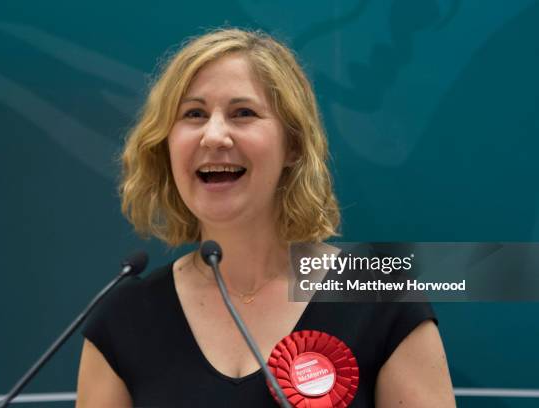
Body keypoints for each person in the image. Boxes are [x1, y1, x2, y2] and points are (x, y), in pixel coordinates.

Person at [76, 28, 455, 407]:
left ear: (292, 145)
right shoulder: (123, 320)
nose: (214, 135)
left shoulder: (382, 300)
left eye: (243, 113)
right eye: (194, 114)